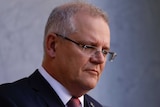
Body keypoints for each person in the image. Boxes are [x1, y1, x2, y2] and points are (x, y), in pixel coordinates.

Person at [0, 1, 116, 107]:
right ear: (53, 45)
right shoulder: (9, 100)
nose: (100, 59)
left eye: (105, 51)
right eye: (89, 47)